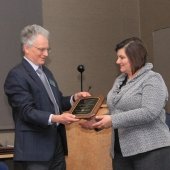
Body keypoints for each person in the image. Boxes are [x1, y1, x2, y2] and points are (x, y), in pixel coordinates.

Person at [4, 24, 90, 170]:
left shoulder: (46, 73)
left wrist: (74, 98)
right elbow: (26, 111)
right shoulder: (17, 75)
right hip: (34, 151)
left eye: (47, 49)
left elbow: (56, 102)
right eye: (41, 49)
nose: (46, 54)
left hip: (56, 146)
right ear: (26, 48)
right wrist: (56, 118)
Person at [80, 37, 170, 170]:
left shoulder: (153, 79)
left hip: (150, 150)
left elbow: (149, 112)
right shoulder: (120, 80)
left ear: (135, 57)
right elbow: (116, 111)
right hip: (121, 152)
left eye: (122, 57)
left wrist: (112, 119)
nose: (117, 61)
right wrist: (96, 122)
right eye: (117, 57)